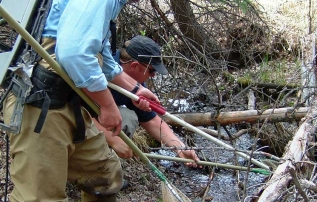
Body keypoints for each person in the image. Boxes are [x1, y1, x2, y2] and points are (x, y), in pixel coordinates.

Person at [3, 0, 158, 201]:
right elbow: (75, 55)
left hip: (68, 104)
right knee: (39, 197)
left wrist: (135, 89)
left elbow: (101, 53)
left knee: (104, 175)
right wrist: (108, 105)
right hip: (40, 107)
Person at [94, 36, 201, 168]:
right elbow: (76, 111)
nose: (153, 76)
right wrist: (112, 139)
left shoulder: (136, 84)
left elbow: (151, 121)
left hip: (96, 118)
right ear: (134, 66)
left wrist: (180, 148)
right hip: (73, 117)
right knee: (127, 118)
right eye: (151, 71)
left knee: (126, 118)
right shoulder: (98, 69)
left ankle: (102, 164)